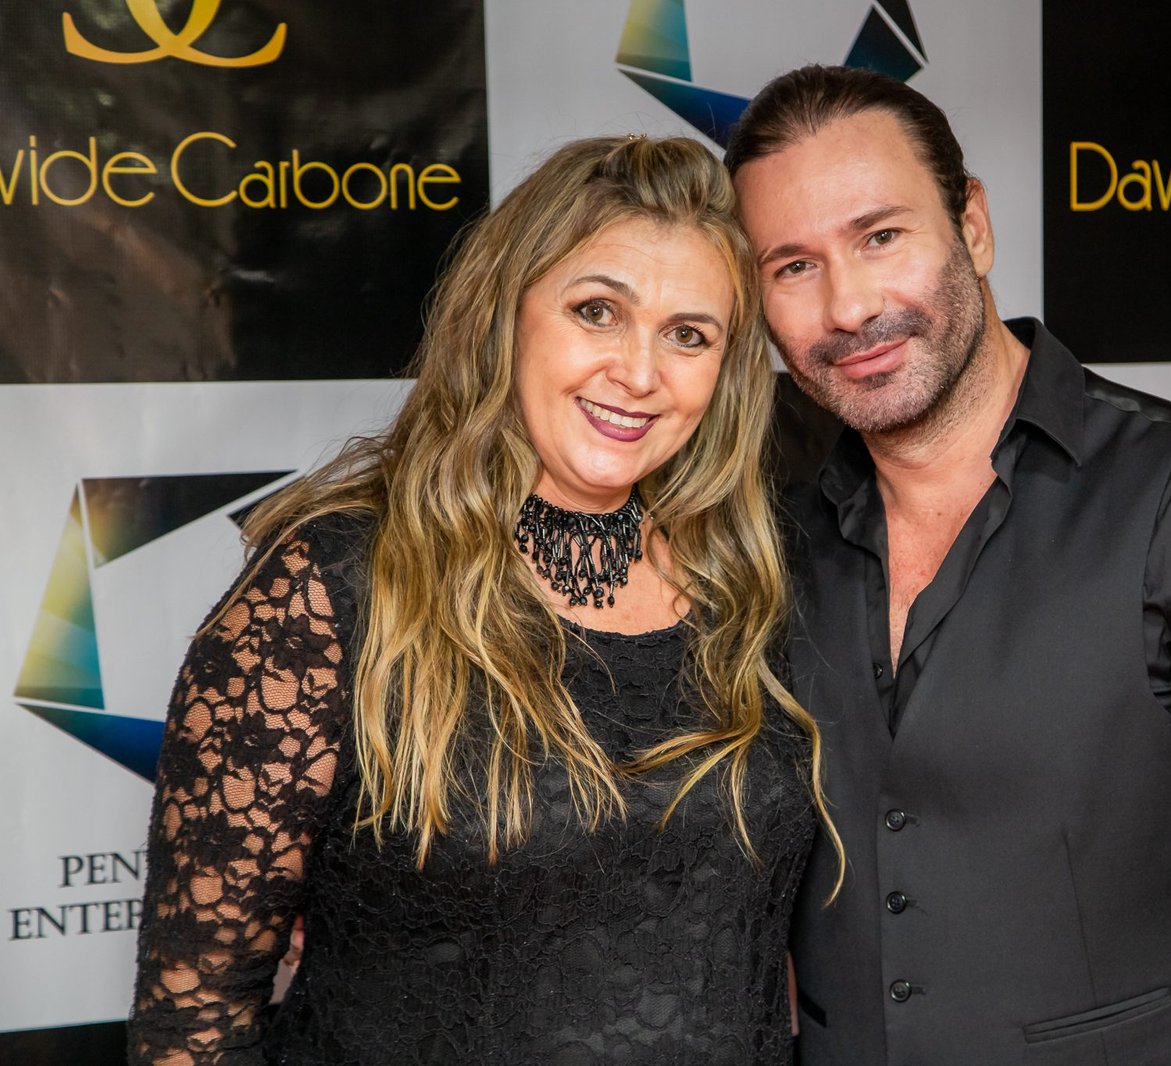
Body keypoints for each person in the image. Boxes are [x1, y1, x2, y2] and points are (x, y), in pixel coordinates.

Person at [724, 66, 1171, 1066]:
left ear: (972, 227)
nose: (848, 306)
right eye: (794, 265)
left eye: (880, 237)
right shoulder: (767, 544)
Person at [127, 134, 840, 1066]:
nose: (639, 372)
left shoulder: (754, 586)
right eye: (597, 311)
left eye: (689, 335)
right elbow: (192, 1024)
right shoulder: (337, 587)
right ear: (506, 315)